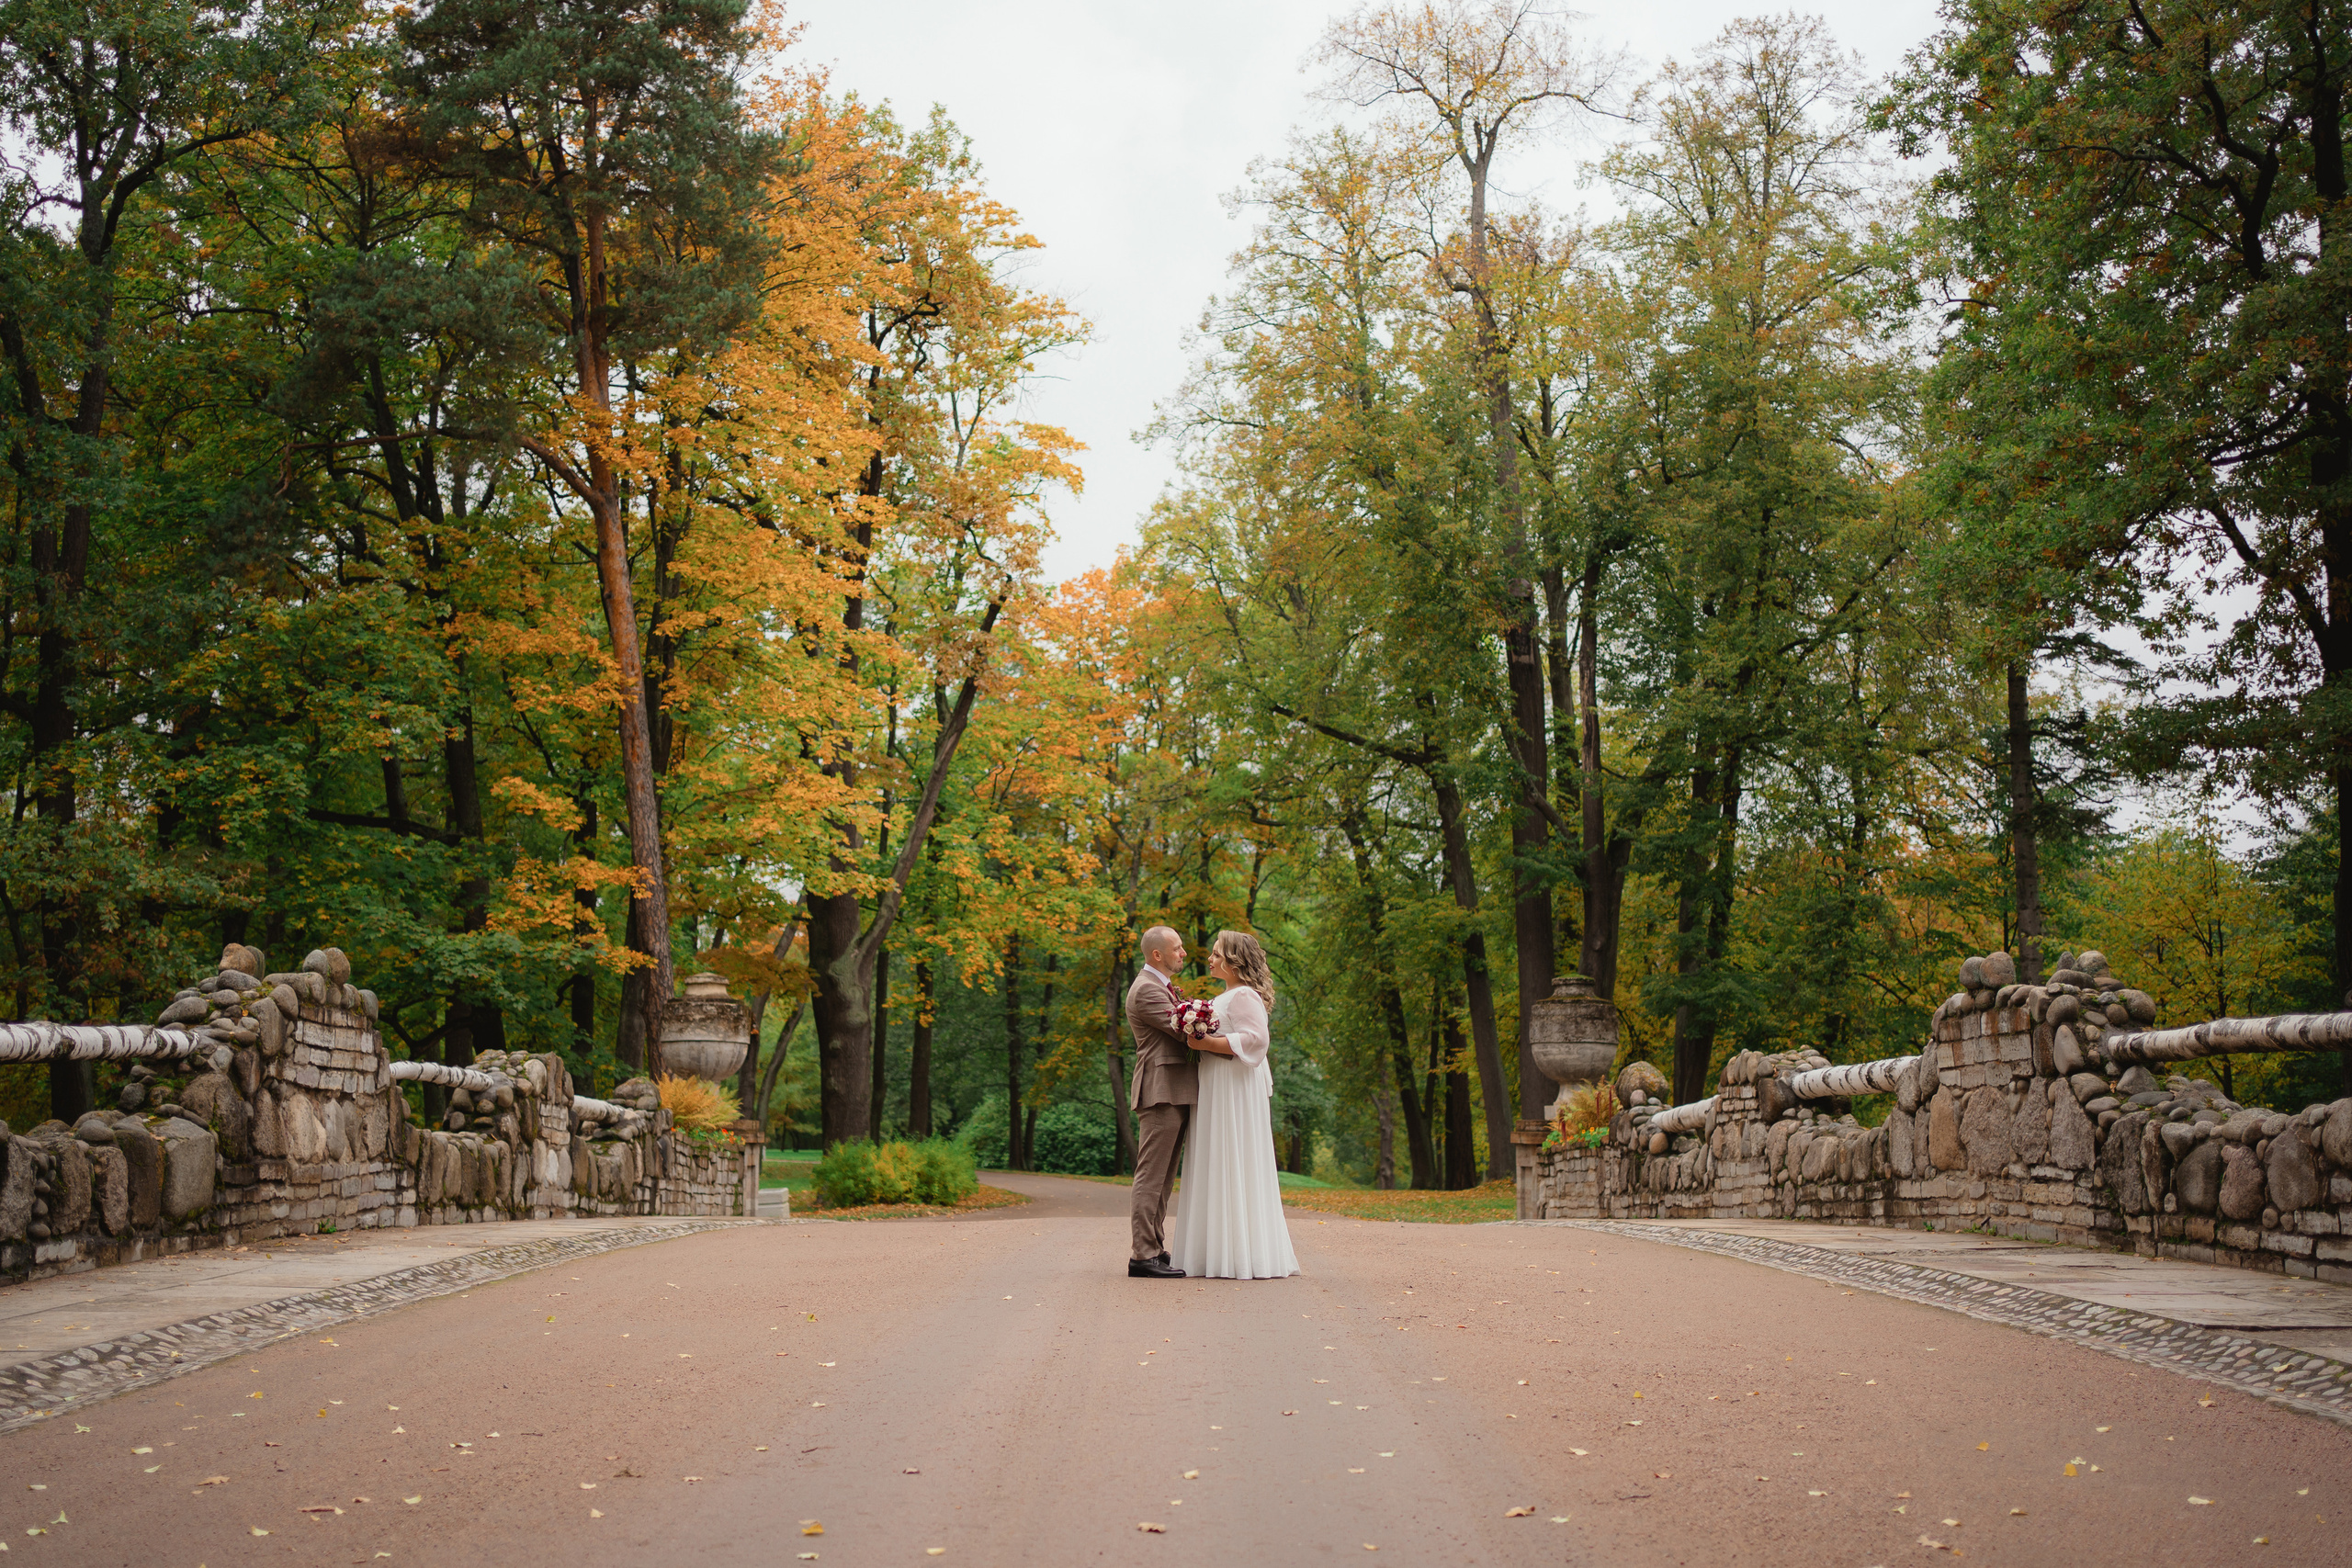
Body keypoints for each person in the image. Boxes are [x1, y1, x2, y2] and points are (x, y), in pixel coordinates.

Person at [1166, 930, 1299, 1280]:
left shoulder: (1243, 996)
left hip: (1233, 1089)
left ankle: (1239, 1255)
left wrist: (1206, 1042)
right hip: (1216, 1086)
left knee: (1232, 1156)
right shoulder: (1227, 995)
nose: (1210, 959)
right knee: (1216, 1158)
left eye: (1216, 954)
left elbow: (1257, 1040)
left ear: (1235, 962)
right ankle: (1214, 1253)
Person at [1124, 926, 1194, 1278]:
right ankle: (1142, 1255)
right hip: (1160, 1089)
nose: (1183, 953)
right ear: (1157, 955)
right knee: (1151, 1176)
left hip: (1174, 1089)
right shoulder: (1147, 991)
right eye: (1177, 948)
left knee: (1165, 1177)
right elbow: (1185, 1031)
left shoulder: (1160, 986)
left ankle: (1154, 1246)